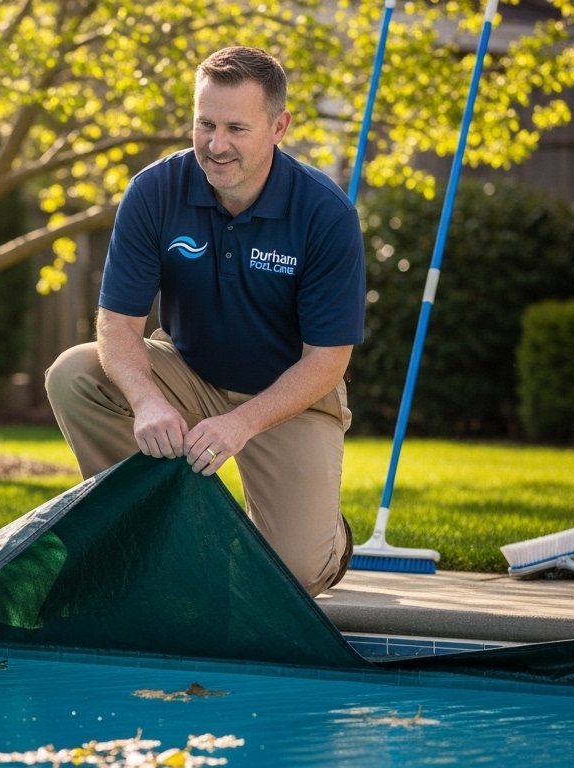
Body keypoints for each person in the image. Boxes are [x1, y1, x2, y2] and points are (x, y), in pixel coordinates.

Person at [44, 46, 366, 597]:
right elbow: (117, 324)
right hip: (187, 371)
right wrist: (148, 401)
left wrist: (240, 424)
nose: (216, 145)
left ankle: (329, 541)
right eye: (205, 124)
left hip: (290, 395)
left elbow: (328, 361)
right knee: (75, 374)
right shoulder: (155, 191)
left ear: (279, 127)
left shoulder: (325, 213)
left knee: (292, 576)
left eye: (236, 128)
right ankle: (150, 533)